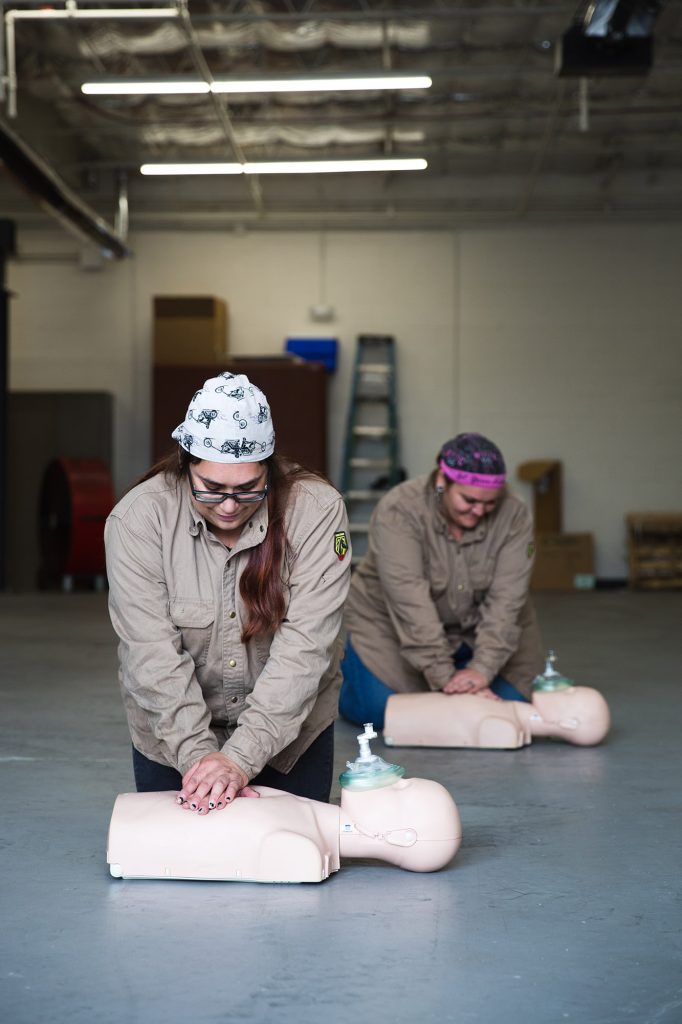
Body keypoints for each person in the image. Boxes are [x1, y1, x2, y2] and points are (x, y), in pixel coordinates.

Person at [104, 372, 351, 813]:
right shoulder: (138, 520)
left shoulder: (317, 512)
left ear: (269, 470)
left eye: (248, 490)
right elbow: (151, 655)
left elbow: (307, 647)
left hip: (287, 737)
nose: (231, 506)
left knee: (288, 858)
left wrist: (238, 759)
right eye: (212, 489)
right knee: (181, 866)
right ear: (185, 464)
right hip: (172, 738)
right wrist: (205, 763)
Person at [339, 432, 544, 730]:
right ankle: (360, 679)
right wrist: (444, 676)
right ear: (441, 481)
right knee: (378, 712)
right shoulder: (399, 510)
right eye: (469, 500)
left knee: (517, 703)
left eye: (489, 504)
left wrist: (482, 670)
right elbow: (410, 601)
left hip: (476, 627)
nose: (479, 511)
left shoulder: (515, 513)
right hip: (393, 626)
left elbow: (508, 598)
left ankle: (463, 673)